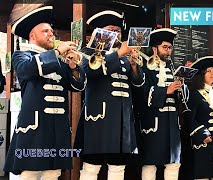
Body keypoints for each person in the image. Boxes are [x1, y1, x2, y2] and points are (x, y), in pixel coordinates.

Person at [3, 6, 86, 179]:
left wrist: (73, 66)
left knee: (53, 174)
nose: (51, 34)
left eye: (51, 31)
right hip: (34, 127)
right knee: (30, 174)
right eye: (45, 31)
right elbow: (28, 69)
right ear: (33, 36)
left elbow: (77, 86)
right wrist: (57, 52)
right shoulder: (21, 55)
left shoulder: (60, 60)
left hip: (58, 128)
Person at [74, 10, 144, 180]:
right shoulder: (88, 52)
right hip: (99, 118)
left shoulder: (126, 57)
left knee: (118, 165)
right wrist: (119, 53)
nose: (116, 35)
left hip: (122, 119)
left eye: (118, 31)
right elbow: (89, 71)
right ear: (100, 33)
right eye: (111, 30)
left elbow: (138, 84)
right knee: (92, 165)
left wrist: (134, 65)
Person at [140, 28, 182, 180]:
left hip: (172, 122)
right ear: (154, 48)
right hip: (154, 121)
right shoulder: (144, 67)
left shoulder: (173, 69)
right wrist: (166, 90)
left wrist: (180, 88)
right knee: (150, 163)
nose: (168, 51)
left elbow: (182, 100)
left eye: (170, 47)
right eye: (165, 47)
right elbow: (141, 93)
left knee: (173, 163)